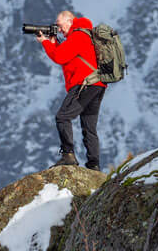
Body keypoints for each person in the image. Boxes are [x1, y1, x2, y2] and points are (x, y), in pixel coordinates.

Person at [35, 9, 106, 170]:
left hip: (84, 84)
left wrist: (45, 43)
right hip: (96, 85)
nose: (59, 30)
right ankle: (93, 165)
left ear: (70, 21)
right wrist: (54, 43)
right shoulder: (84, 35)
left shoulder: (78, 35)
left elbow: (60, 57)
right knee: (89, 126)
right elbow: (65, 55)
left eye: (60, 26)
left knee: (62, 117)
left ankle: (68, 155)